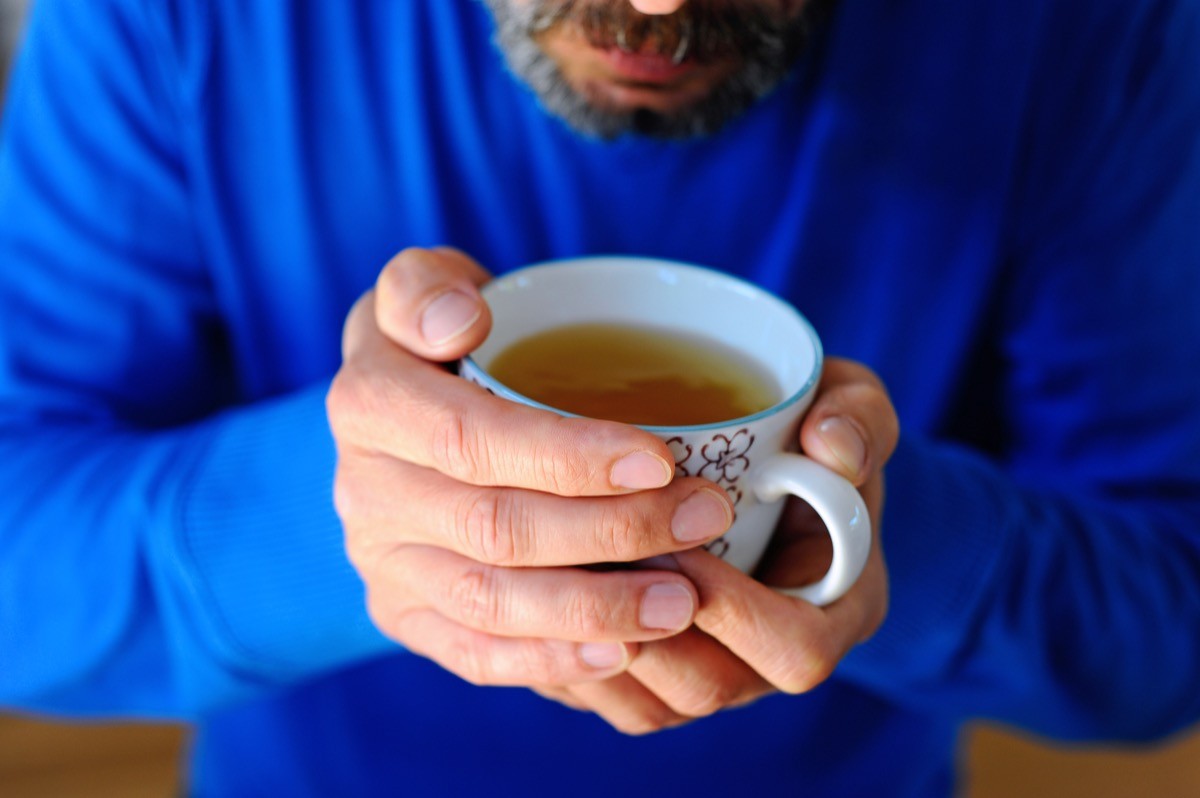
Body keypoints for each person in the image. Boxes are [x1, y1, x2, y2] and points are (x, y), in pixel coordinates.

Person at [1, 0, 1198, 795]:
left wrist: (871, 534)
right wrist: (351, 511)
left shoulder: (1094, 32)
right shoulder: (168, 20)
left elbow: (1170, 630)